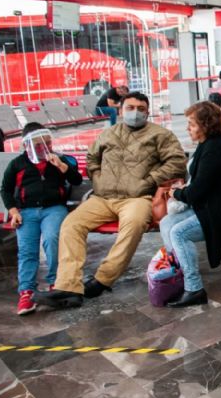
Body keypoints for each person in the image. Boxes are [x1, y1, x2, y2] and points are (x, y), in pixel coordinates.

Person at [35, 92, 187, 309]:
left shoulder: (161, 135)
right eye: (130, 108)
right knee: (71, 224)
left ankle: (102, 280)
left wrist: (149, 180)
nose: (135, 113)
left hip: (137, 198)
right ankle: (69, 287)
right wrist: (98, 177)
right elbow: (92, 157)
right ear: (121, 110)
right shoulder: (108, 134)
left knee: (133, 225)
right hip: (103, 198)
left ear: (147, 112)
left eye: (141, 109)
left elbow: (177, 162)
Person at [161, 102, 221, 308]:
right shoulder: (207, 143)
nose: (188, 128)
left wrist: (175, 193)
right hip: (211, 205)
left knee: (178, 233)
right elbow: (200, 185)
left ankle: (194, 289)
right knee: (167, 223)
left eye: (192, 124)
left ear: (206, 125)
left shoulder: (215, 149)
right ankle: (180, 273)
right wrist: (184, 191)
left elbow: (195, 193)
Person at [0, 123, 82, 315]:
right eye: (38, 144)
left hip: (53, 208)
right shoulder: (17, 164)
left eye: (47, 143)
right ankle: (26, 291)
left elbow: (76, 180)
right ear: (26, 145)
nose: (44, 148)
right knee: (27, 250)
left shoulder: (58, 159)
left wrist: (62, 166)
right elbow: (6, 190)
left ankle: (56, 283)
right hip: (27, 211)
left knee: (53, 239)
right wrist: (13, 211)